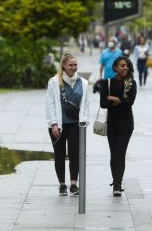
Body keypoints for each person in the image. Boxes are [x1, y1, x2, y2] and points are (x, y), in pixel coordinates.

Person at [46, 53, 90, 196]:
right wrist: (53, 124)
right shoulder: (54, 81)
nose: (73, 67)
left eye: (75, 65)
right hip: (58, 125)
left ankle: (73, 184)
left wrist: (84, 121)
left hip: (75, 125)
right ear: (64, 65)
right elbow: (50, 103)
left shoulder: (83, 82)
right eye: (70, 65)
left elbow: (86, 103)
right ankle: (62, 185)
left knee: (74, 154)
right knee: (59, 155)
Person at [99, 56, 137, 197]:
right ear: (115, 68)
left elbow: (130, 102)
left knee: (120, 153)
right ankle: (115, 181)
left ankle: (117, 184)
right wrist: (120, 100)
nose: (125, 67)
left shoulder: (132, 83)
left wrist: (115, 99)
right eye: (122, 65)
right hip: (112, 124)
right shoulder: (106, 83)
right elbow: (103, 103)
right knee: (113, 154)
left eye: (127, 65)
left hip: (126, 124)